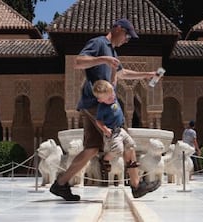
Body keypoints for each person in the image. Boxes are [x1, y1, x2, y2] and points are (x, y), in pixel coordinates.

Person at [50, 18, 161, 201]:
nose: (127, 40)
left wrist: (147, 74)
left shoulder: (113, 52)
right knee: (126, 142)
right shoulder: (99, 43)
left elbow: (121, 73)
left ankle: (61, 184)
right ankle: (135, 185)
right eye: (126, 35)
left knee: (91, 149)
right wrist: (103, 58)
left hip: (98, 105)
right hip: (98, 105)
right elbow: (78, 62)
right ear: (117, 29)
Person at [92, 80, 139, 167]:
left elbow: (114, 80)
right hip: (112, 133)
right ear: (100, 100)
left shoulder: (111, 93)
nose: (113, 97)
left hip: (120, 129)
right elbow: (98, 121)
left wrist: (114, 68)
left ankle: (128, 163)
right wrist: (105, 129)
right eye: (109, 98)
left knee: (131, 145)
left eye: (113, 94)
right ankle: (104, 159)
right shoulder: (102, 108)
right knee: (118, 150)